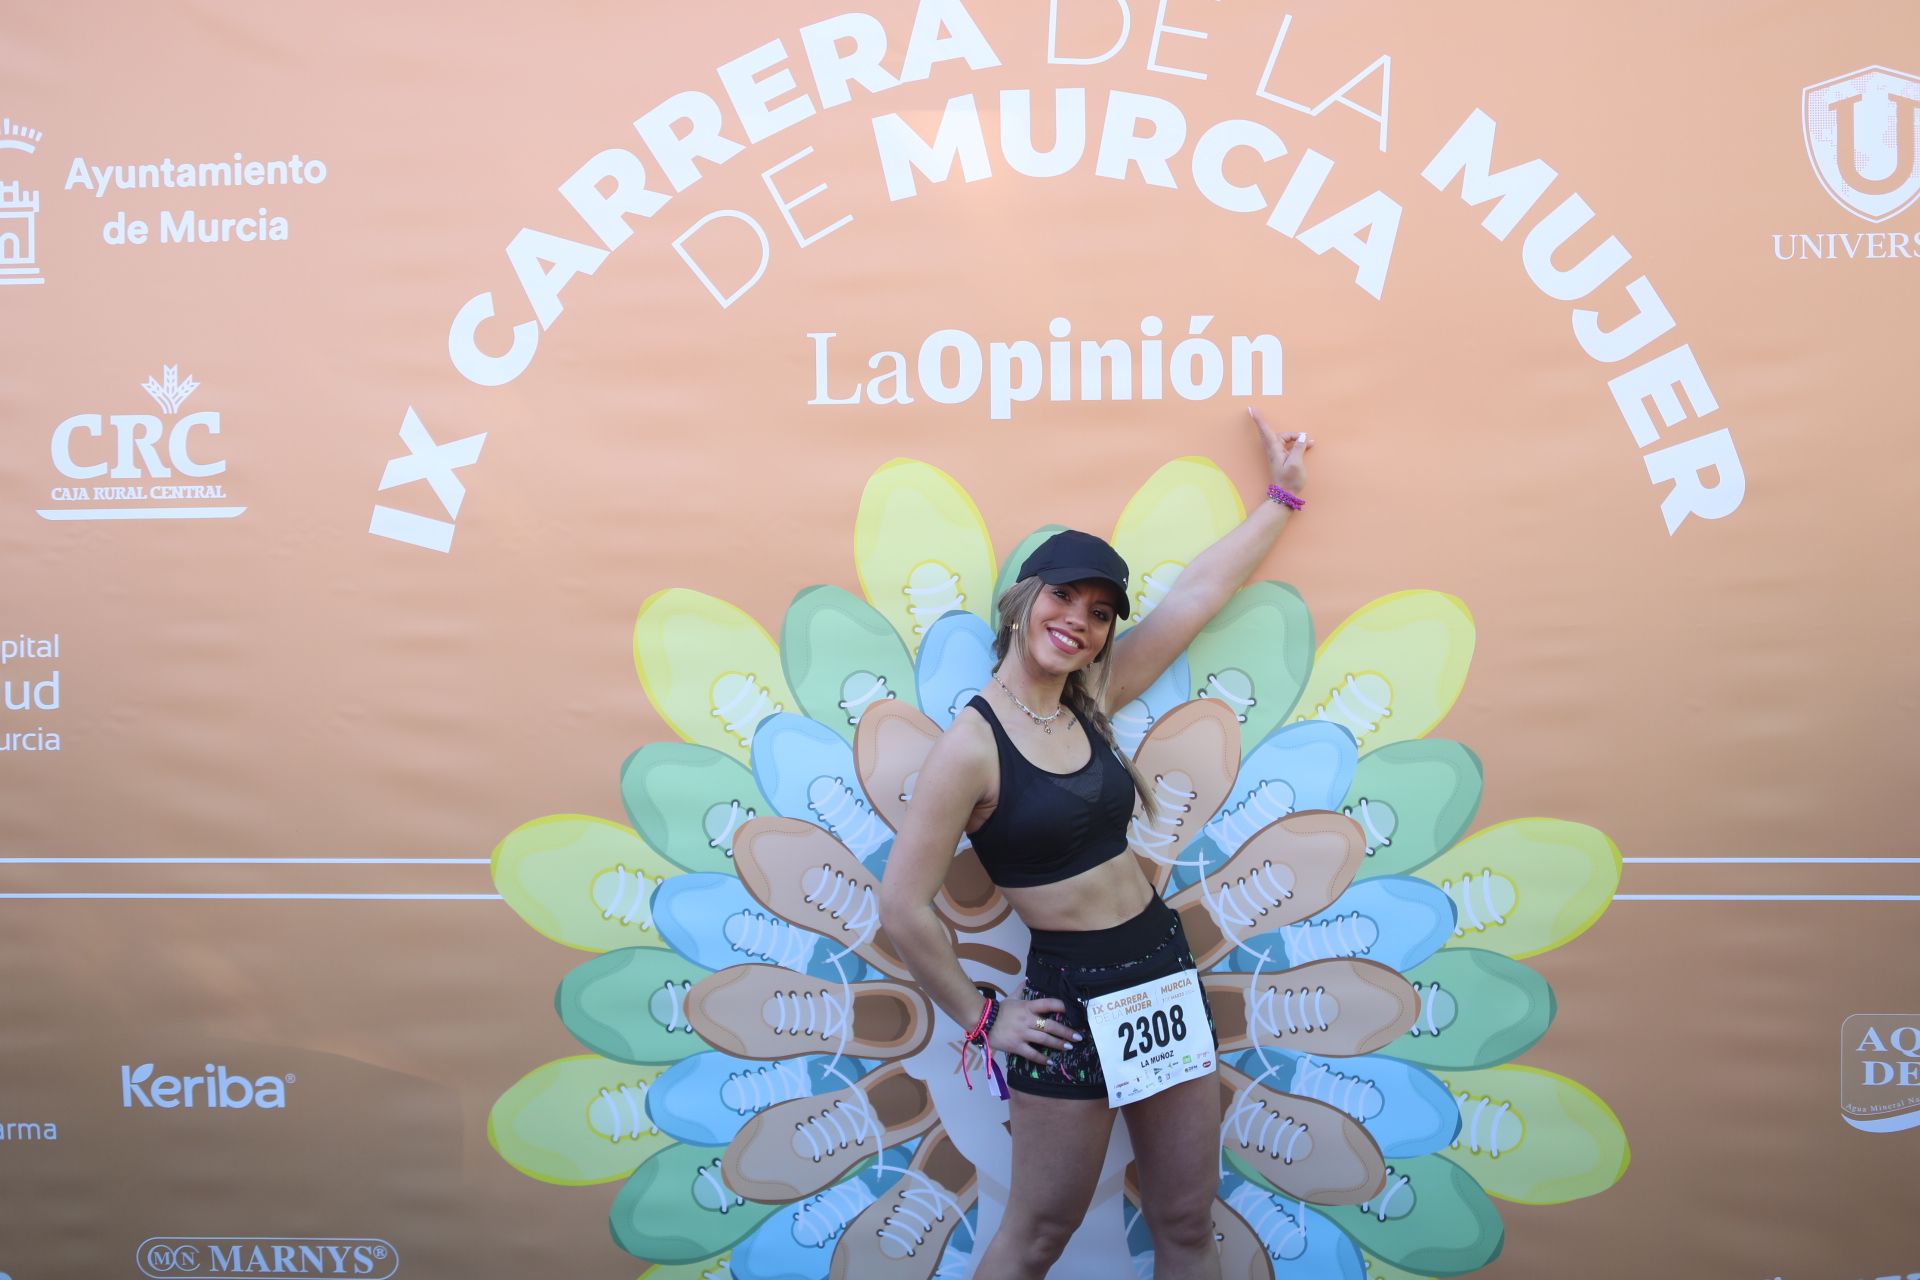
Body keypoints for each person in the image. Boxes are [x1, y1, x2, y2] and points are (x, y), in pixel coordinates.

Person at [877, 408, 1313, 1279]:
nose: (1080, 620)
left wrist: (1280, 499)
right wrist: (982, 1018)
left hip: (1158, 968)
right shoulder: (971, 744)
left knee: (1186, 1219)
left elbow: (1196, 597)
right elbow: (900, 903)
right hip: (1069, 1002)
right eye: (1064, 597)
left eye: (1102, 611)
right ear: (1024, 600)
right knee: (1039, 1232)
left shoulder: (1088, 699)